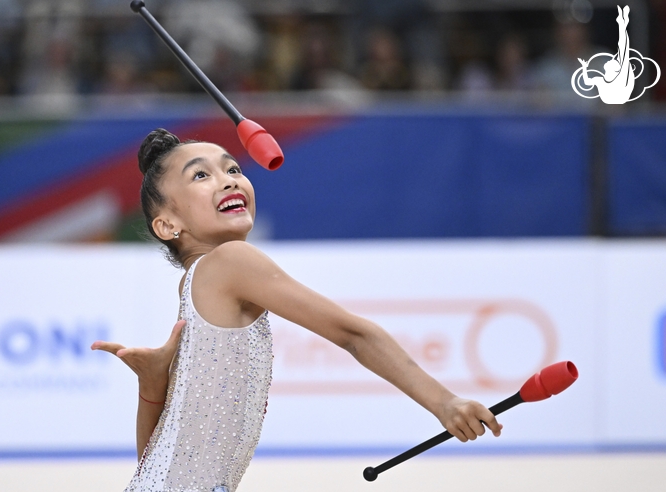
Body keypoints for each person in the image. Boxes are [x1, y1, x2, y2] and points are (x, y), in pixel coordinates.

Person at [92, 129, 502, 492]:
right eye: (201, 175)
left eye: (232, 168)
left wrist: (151, 391)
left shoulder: (195, 281)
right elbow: (353, 335)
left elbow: (152, 467)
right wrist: (444, 402)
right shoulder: (231, 262)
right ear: (167, 226)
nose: (228, 180)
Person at [578, 5, 634, 104]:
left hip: (601, 118)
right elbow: (587, 81)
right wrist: (584, 67)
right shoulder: (548, 67)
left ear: (587, 30)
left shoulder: (605, 59)